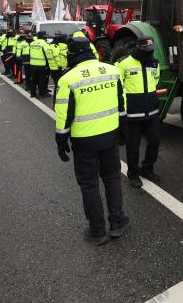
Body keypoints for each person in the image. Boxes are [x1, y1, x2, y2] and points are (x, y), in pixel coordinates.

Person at [54, 36, 130, 246]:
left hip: (84, 141)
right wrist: (123, 130)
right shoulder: (112, 70)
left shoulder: (67, 79)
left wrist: (61, 141)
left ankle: (97, 231)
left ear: (71, 54)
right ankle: (117, 222)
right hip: (110, 135)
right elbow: (121, 103)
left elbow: (63, 115)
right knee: (112, 178)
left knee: (89, 185)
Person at [115, 37, 162, 188]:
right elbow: (118, 87)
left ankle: (148, 168)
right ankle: (133, 173)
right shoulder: (123, 64)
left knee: (154, 141)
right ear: (138, 49)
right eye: (146, 51)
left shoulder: (154, 63)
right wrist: (123, 110)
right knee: (133, 145)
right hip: (132, 114)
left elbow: (155, 80)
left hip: (152, 111)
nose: (150, 54)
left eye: (151, 50)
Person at [29, 30, 51, 98]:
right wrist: (49, 64)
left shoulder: (32, 43)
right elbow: (48, 55)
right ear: (44, 37)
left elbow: (30, 53)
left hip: (32, 64)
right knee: (42, 80)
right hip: (41, 65)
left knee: (33, 80)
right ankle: (42, 93)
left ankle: (33, 93)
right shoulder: (44, 44)